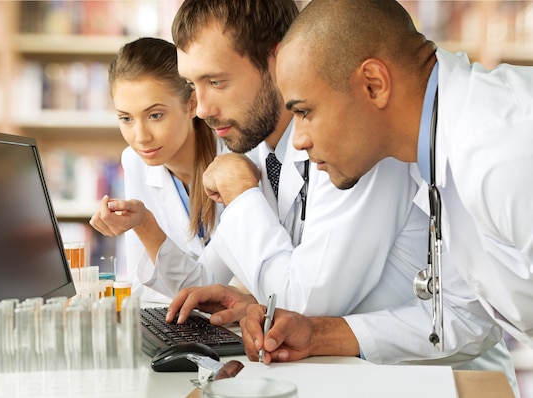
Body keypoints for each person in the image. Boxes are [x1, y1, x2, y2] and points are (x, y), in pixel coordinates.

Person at [154, 0, 517, 390]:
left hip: (452, 383)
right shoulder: (261, 145)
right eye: (193, 86)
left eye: (217, 81)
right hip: (385, 368)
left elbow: (308, 299)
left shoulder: (370, 138)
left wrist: (243, 196)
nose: (201, 108)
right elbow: (462, 313)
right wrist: (294, 321)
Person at [89, 37, 231, 304]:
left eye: (155, 115)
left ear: (191, 104)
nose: (140, 137)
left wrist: (144, 225)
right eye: (126, 118)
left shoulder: (235, 158)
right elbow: (142, 285)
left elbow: (211, 291)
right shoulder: (134, 160)